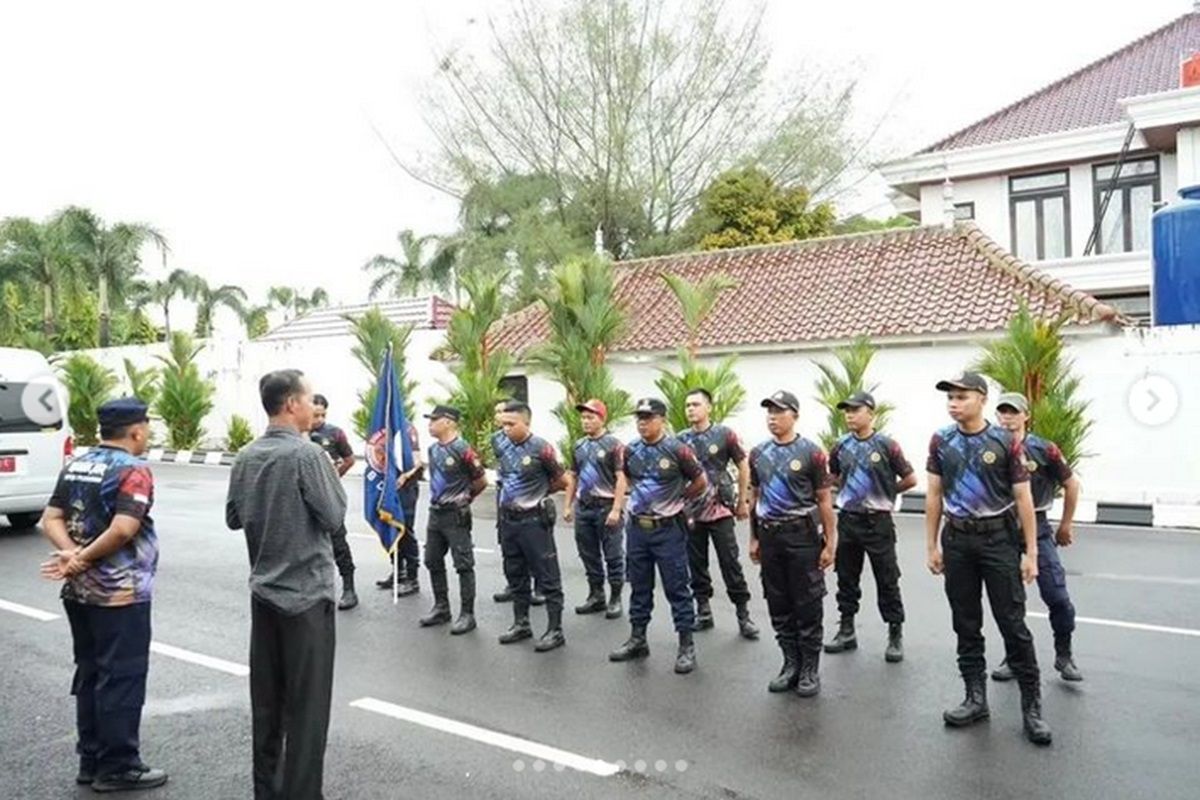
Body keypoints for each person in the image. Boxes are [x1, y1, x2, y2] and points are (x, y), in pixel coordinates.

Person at [226, 370, 348, 798]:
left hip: (264, 595)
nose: (315, 407)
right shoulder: (308, 456)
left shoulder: (245, 456)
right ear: (292, 404)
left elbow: (233, 517)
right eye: (310, 398)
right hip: (306, 600)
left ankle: (268, 791)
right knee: (308, 713)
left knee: (268, 707)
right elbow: (334, 518)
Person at [39, 398, 168, 793]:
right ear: (136, 431)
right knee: (122, 677)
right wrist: (82, 558)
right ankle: (118, 766)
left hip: (79, 594)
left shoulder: (77, 463)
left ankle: (90, 758)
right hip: (119, 594)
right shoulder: (133, 471)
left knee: (91, 673)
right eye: (146, 426)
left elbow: (51, 518)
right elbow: (124, 529)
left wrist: (73, 557)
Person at [925, 371, 1052, 746]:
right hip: (958, 540)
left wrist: (1030, 552)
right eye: (950, 396)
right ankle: (975, 698)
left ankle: (1032, 708)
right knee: (966, 622)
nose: (953, 402)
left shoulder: (1005, 441)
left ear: (981, 398)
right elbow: (933, 495)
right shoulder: (941, 440)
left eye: (961, 396)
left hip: (998, 539)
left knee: (1012, 622)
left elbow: (1024, 499)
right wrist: (931, 545)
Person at [747, 390, 836, 698]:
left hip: (802, 537)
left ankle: (810, 668)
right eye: (769, 412)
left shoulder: (811, 452)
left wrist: (830, 543)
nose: (773, 417)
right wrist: (754, 537)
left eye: (779, 411)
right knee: (778, 603)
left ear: (794, 416)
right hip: (770, 537)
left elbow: (825, 500)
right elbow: (755, 497)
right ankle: (790, 663)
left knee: (807, 603)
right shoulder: (758, 453)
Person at [609, 398, 707, 674]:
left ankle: (686, 645)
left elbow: (700, 481)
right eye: (639, 418)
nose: (642, 423)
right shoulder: (630, 450)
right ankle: (638, 639)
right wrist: (619, 507)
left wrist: (680, 497)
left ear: (662, 419)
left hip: (668, 529)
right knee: (639, 586)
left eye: (648, 417)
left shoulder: (678, 450)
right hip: (638, 529)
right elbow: (624, 479)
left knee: (677, 587)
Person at [992, 392, 1084, 683]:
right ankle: (1013, 657)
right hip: (1002, 530)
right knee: (1009, 602)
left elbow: (1071, 484)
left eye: (1013, 412)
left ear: (1025, 416)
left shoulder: (1045, 449)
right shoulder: (989, 448)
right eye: (1002, 412)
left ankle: (1064, 655)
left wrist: (1066, 525)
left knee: (1057, 596)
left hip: (1040, 529)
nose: (1007, 418)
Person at [824, 391, 916, 662]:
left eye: (856, 410)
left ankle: (895, 633)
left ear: (871, 413)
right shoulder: (840, 445)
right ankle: (846, 630)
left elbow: (910, 479)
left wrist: (887, 492)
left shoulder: (887, 445)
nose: (850, 415)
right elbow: (833, 476)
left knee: (887, 579)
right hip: (850, 521)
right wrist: (848, 492)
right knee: (846, 578)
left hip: (878, 523)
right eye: (847, 411)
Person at [677, 388, 759, 639]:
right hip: (691, 512)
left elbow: (743, 464)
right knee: (696, 564)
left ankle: (743, 615)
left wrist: (743, 499)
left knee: (730, 563)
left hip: (721, 510)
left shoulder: (725, 434)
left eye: (696, 404)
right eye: (688, 405)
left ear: (709, 407)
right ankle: (703, 611)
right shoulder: (680, 439)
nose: (691, 409)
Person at [494, 401, 568, 651]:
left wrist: (539, 493)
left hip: (534, 522)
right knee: (515, 573)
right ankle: (521, 623)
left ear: (526, 423)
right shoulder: (500, 443)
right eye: (503, 423)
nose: (505, 429)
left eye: (511, 424)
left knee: (547, 576)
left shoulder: (541, 448)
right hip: (509, 521)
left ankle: (555, 630)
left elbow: (562, 480)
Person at [419, 405, 488, 634]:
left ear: (448, 422)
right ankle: (441, 607)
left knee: (463, 564)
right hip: (436, 513)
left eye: (434, 420)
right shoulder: (433, 449)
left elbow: (481, 481)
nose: (430, 424)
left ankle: (467, 614)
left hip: (455, 514)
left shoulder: (462, 449)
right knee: (432, 559)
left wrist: (465, 499)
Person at [562, 398, 627, 619]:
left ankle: (615, 598)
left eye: (591, 417)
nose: (585, 421)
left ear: (602, 419)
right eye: (583, 417)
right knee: (588, 554)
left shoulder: (614, 445)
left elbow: (621, 478)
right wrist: (568, 506)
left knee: (613, 555)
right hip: (585, 508)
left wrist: (617, 509)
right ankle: (596, 595)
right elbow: (572, 476)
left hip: (606, 508)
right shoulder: (579, 446)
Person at [491, 399, 546, 607]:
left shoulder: (535, 445)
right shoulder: (496, 440)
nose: (499, 416)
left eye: (504, 412)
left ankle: (540, 587)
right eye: (497, 413)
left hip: (529, 499)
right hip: (505, 493)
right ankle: (514, 585)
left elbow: (556, 477)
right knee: (507, 543)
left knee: (534, 548)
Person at [309, 394, 359, 610]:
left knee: (338, 542)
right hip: (303, 499)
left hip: (328, 497)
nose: (318, 419)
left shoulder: (335, 433)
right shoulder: (298, 433)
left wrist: (334, 477)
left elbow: (349, 459)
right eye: (315, 414)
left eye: (322, 414)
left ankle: (349, 589)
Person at [376, 422, 424, 597]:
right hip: (386, 487)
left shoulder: (408, 429)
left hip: (405, 488)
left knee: (405, 531)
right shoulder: (380, 427)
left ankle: (412, 578)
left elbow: (417, 461)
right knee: (390, 528)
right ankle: (398, 571)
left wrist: (405, 475)